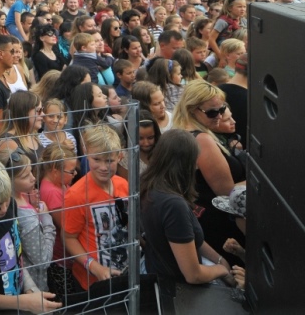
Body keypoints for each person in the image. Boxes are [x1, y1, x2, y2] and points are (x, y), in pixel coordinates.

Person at [140, 129, 240, 286]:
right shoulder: (173, 205)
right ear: (184, 163)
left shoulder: (150, 185)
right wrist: (222, 270)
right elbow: (193, 274)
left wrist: (220, 260)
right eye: (195, 160)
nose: (197, 166)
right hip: (176, 289)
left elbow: (188, 239)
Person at [0, 157, 60, 312]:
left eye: (5, 199)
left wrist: (29, 290)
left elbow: (17, 256)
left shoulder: (11, 206)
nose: (3, 208)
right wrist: (25, 302)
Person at [171, 81, 245, 266]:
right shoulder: (202, 140)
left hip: (201, 217)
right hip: (218, 223)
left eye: (222, 109)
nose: (219, 116)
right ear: (192, 109)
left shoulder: (179, 132)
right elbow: (228, 192)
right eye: (212, 112)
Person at [63, 125, 129, 292]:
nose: (103, 167)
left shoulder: (124, 185)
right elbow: (69, 238)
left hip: (124, 273)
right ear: (87, 155)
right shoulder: (76, 195)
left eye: (109, 160)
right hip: (91, 283)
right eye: (97, 159)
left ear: (119, 157)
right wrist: (94, 267)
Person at [0, 148, 55, 292]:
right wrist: (47, 219)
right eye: (25, 176)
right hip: (35, 286)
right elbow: (43, 260)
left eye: (31, 171)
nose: (33, 178)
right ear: (9, 180)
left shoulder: (10, 201)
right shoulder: (26, 217)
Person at [38, 141, 79, 297]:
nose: (75, 174)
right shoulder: (52, 193)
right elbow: (66, 225)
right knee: (68, 299)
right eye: (71, 171)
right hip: (62, 260)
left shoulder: (60, 183)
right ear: (55, 170)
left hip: (67, 256)